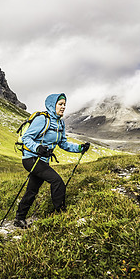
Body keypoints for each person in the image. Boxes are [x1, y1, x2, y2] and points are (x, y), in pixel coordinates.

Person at [14, 93, 90, 229]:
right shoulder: (43, 119)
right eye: (60, 104)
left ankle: (19, 218)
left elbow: (63, 144)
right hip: (31, 159)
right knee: (57, 181)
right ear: (52, 105)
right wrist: (37, 148)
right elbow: (27, 138)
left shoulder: (60, 123)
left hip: (43, 160)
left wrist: (80, 148)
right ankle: (61, 214)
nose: (63, 107)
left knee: (32, 190)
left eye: (64, 104)